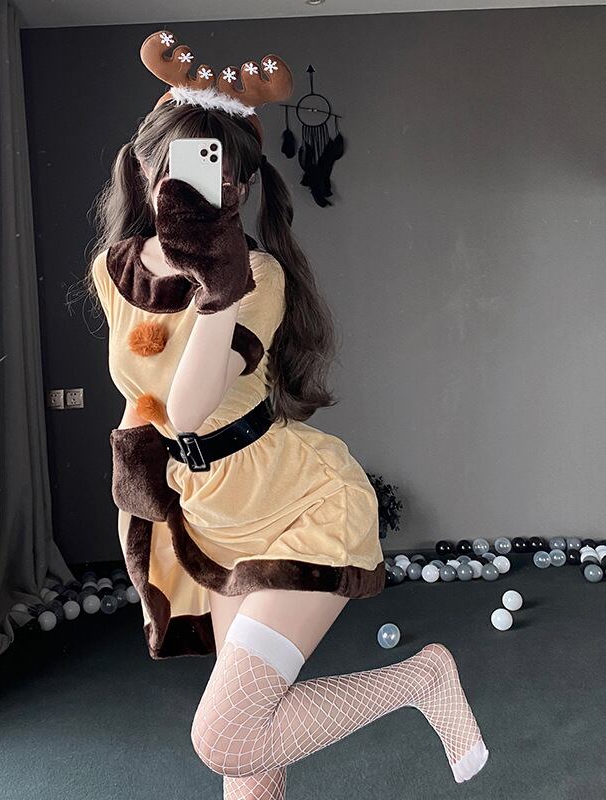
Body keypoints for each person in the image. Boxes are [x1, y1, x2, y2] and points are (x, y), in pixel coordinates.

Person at [85, 29, 489, 799]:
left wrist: (216, 276)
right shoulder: (115, 271)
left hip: (293, 504)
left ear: (240, 185)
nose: (200, 184)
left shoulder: (257, 276)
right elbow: (144, 395)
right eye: (181, 165)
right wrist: (141, 498)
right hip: (211, 513)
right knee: (250, 753)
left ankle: (421, 679)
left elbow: (191, 407)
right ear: (146, 168)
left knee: (223, 737)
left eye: (221, 171)